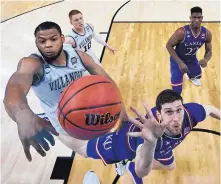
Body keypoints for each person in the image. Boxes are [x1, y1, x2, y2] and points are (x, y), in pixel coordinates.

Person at [3, 21, 128, 162]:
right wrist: (22, 115)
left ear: (62, 38)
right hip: (64, 123)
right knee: (91, 152)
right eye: (42, 41)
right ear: (36, 43)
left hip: (92, 113)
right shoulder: (32, 64)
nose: (48, 44)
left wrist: (121, 109)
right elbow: (14, 88)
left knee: (112, 143)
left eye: (53, 39)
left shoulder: (79, 56)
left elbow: (106, 79)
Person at [57, 89, 220, 184]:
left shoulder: (191, 113)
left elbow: (211, 109)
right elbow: (142, 171)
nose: (176, 117)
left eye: (179, 110)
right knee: (83, 150)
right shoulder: (144, 137)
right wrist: (150, 143)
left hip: (161, 148)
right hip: (122, 144)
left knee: (170, 166)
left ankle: (129, 167)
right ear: (159, 115)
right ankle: (52, 129)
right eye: (169, 112)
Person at [166, 6, 212, 94]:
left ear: (202, 18)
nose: (197, 20)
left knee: (197, 75)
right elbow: (169, 45)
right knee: (176, 90)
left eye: (199, 17)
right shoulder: (181, 32)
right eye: (194, 17)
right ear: (190, 18)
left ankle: (192, 77)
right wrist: (180, 63)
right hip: (177, 60)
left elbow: (209, 51)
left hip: (192, 59)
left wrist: (206, 60)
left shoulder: (207, 33)